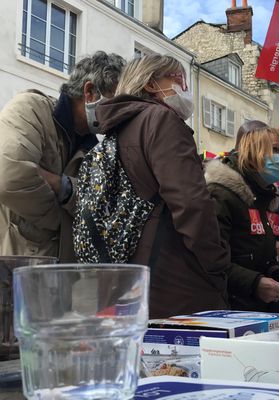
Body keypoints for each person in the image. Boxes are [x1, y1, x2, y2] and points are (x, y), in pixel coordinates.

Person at [0, 51, 126, 332]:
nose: (120, 115)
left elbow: (97, 208)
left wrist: (60, 185)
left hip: (37, 298)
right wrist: (65, 215)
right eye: (117, 103)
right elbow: (8, 177)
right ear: (89, 91)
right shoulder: (31, 108)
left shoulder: (94, 148)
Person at [78, 54, 230, 318]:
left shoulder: (120, 128)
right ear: (151, 84)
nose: (185, 88)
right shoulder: (161, 120)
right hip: (175, 275)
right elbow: (191, 203)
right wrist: (217, 263)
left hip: (133, 273)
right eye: (178, 79)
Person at [205, 126, 279, 310]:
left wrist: (274, 273)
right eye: (275, 150)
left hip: (254, 306)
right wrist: (255, 283)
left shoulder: (263, 196)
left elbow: (253, 251)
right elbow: (209, 258)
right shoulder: (221, 194)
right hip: (229, 308)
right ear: (252, 152)